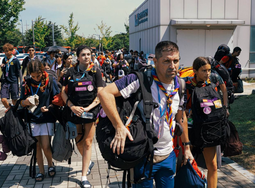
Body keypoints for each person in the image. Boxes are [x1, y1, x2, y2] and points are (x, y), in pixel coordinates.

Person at [98, 41, 193, 188]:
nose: (172, 65)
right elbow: (104, 93)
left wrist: (187, 148)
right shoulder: (140, 80)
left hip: (168, 155)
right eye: (166, 61)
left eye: (176, 61)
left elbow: (181, 117)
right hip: (143, 156)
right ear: (155, 61)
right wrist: (119, 126)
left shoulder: (180, 85)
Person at [61, 45, 104, 188]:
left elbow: (100, 94)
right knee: (78, 141)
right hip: (74, 111)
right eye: (83, 55)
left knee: (87, 143)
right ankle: (89, 162)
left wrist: (88, 108)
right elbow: (62, 92)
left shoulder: (96, 72)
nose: (87, 57)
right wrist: (72, 106)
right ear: (78, 57)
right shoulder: (69, 72)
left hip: (90, 112)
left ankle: (84, 176)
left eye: (89, 54)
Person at [20, 59, 59, 182]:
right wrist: (25, 102)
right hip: (32, 118)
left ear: (42, 71)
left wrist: (48, 108)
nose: (36, 78)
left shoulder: (50, 81)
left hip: (47, 118)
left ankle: (50, 165)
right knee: (37, 147)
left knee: (46, 146)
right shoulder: (26, 82)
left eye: (38, 76)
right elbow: (20, 101)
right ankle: (41, 171)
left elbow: (57, 99)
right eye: (33, 76)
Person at [185, 57, 222, 188]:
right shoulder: (187, 86)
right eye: (203, 70)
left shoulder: (212, 86)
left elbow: (218, 105)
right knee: (186, 164)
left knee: (212, 165)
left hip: (209, 130)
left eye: (209, 70)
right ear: (195, 70)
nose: (207, 74)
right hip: (189, 130)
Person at [0, 43, 22, 109]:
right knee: (3, 99)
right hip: (5, 81)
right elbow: (4, 70)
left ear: (11, 51)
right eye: (5, 51)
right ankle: (10, 110)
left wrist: (21, 82)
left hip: (14, 82)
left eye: (7, 51)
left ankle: (15, 114)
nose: (6, 53)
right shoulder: (4, 59)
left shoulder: (15, 60)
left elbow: (19, 72)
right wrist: (2, 67)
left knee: (14, 100)